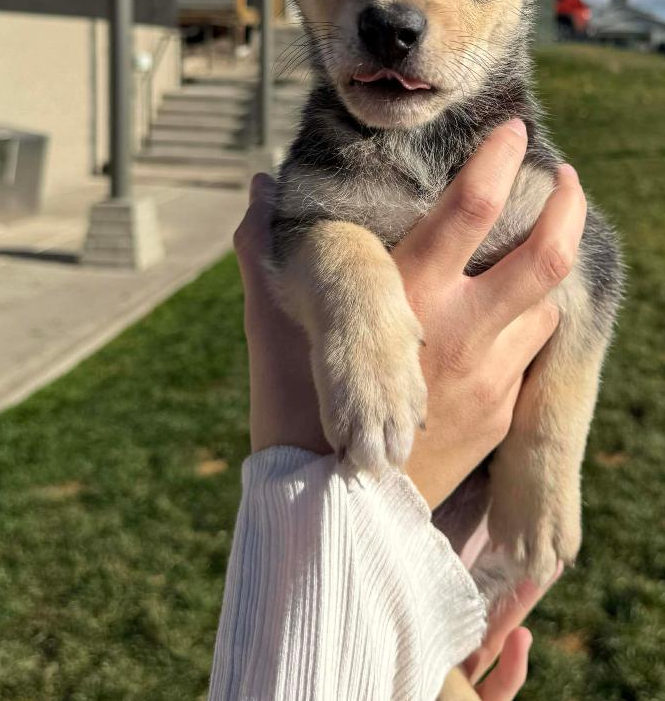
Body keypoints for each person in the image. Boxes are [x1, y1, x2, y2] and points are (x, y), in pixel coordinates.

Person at [209, 120, 587, 700]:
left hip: (462, 549)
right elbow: (304, 234)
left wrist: (546, 455)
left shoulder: (524, 172)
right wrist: (347, 277)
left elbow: (588, 285)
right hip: (400, 537)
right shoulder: (326, 159)